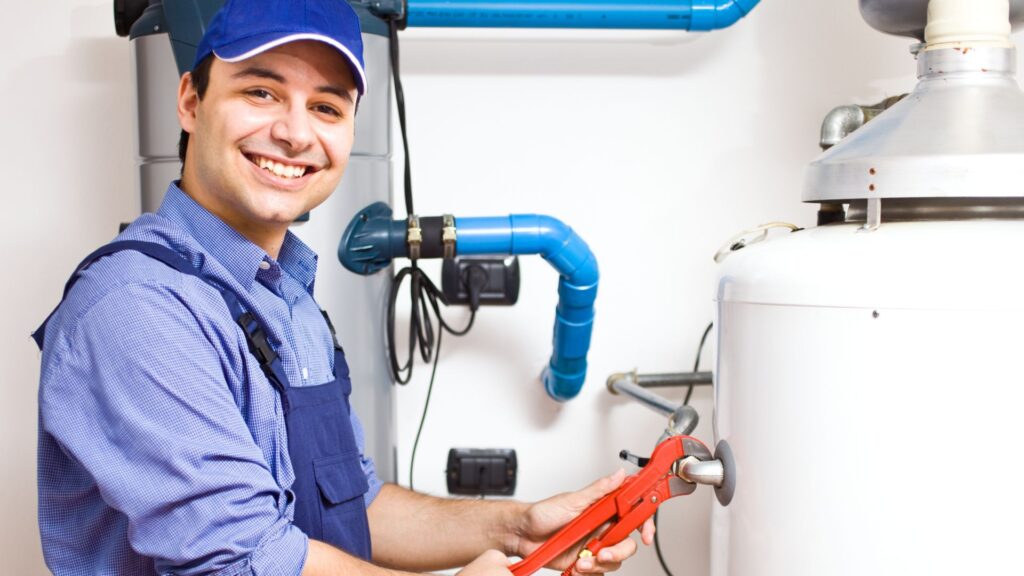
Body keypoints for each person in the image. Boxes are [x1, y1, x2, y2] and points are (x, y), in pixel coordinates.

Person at [34, 0, 654, 574]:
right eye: (260, 91)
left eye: (326, 107)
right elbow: (244, 560)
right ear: (191, 102)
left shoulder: (289, 299)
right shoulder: (137, 306)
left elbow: (358, 504)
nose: (296, 134)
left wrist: (518, 529)